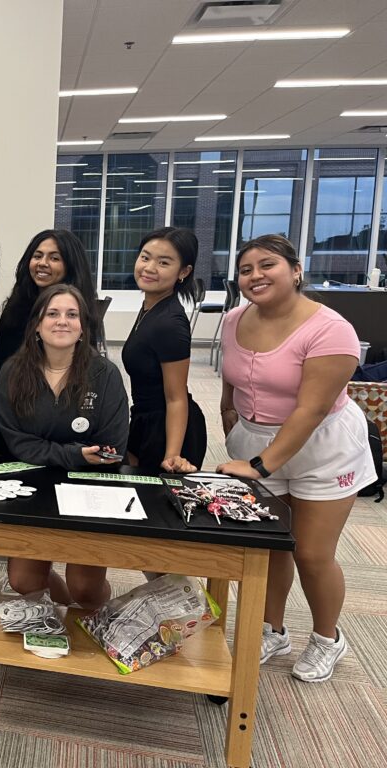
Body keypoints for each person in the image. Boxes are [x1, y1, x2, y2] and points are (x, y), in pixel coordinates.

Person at [217, 234, 375, 683]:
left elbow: (311, 410)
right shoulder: (233, 319)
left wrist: (262, 465)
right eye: (246, 270)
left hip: (322, 447)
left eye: (267, 265)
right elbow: (232, 376)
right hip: (256, 441)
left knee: (311, 552)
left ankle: (328, 638)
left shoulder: (331, 329)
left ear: (296, 269)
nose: (255, 276)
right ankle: (272, 630)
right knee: (270, 547)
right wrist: (231, 416)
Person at [0, 284, 129, 609]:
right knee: (23, 581)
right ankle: (59, 598)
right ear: (37, 325)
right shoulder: (13, 371)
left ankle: (90, 607)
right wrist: (74, 454)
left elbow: (110, 449)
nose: (62, 321)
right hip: (33, 485)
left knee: (85, 589)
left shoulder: (105, 374)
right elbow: (16, 441)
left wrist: (66, 455)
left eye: (72, 314)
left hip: (90, 488)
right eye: (52, 314)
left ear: (83, 327)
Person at [0, 229, 98, 452]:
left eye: (54, 258)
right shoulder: (16, 307)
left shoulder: (79, 313)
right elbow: (0, 366)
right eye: (37, 256)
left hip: (63, 429)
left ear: (70, 265)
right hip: (16, 424)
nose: (42, 263)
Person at [122, 227, 207, 474]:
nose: (149, 268)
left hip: (167, 429)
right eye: (145, 257)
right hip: (144, 419)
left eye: (163, 262)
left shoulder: (170, 323)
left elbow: (176, 397)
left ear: (184, 272)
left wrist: (173, 455)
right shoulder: (151, 306)